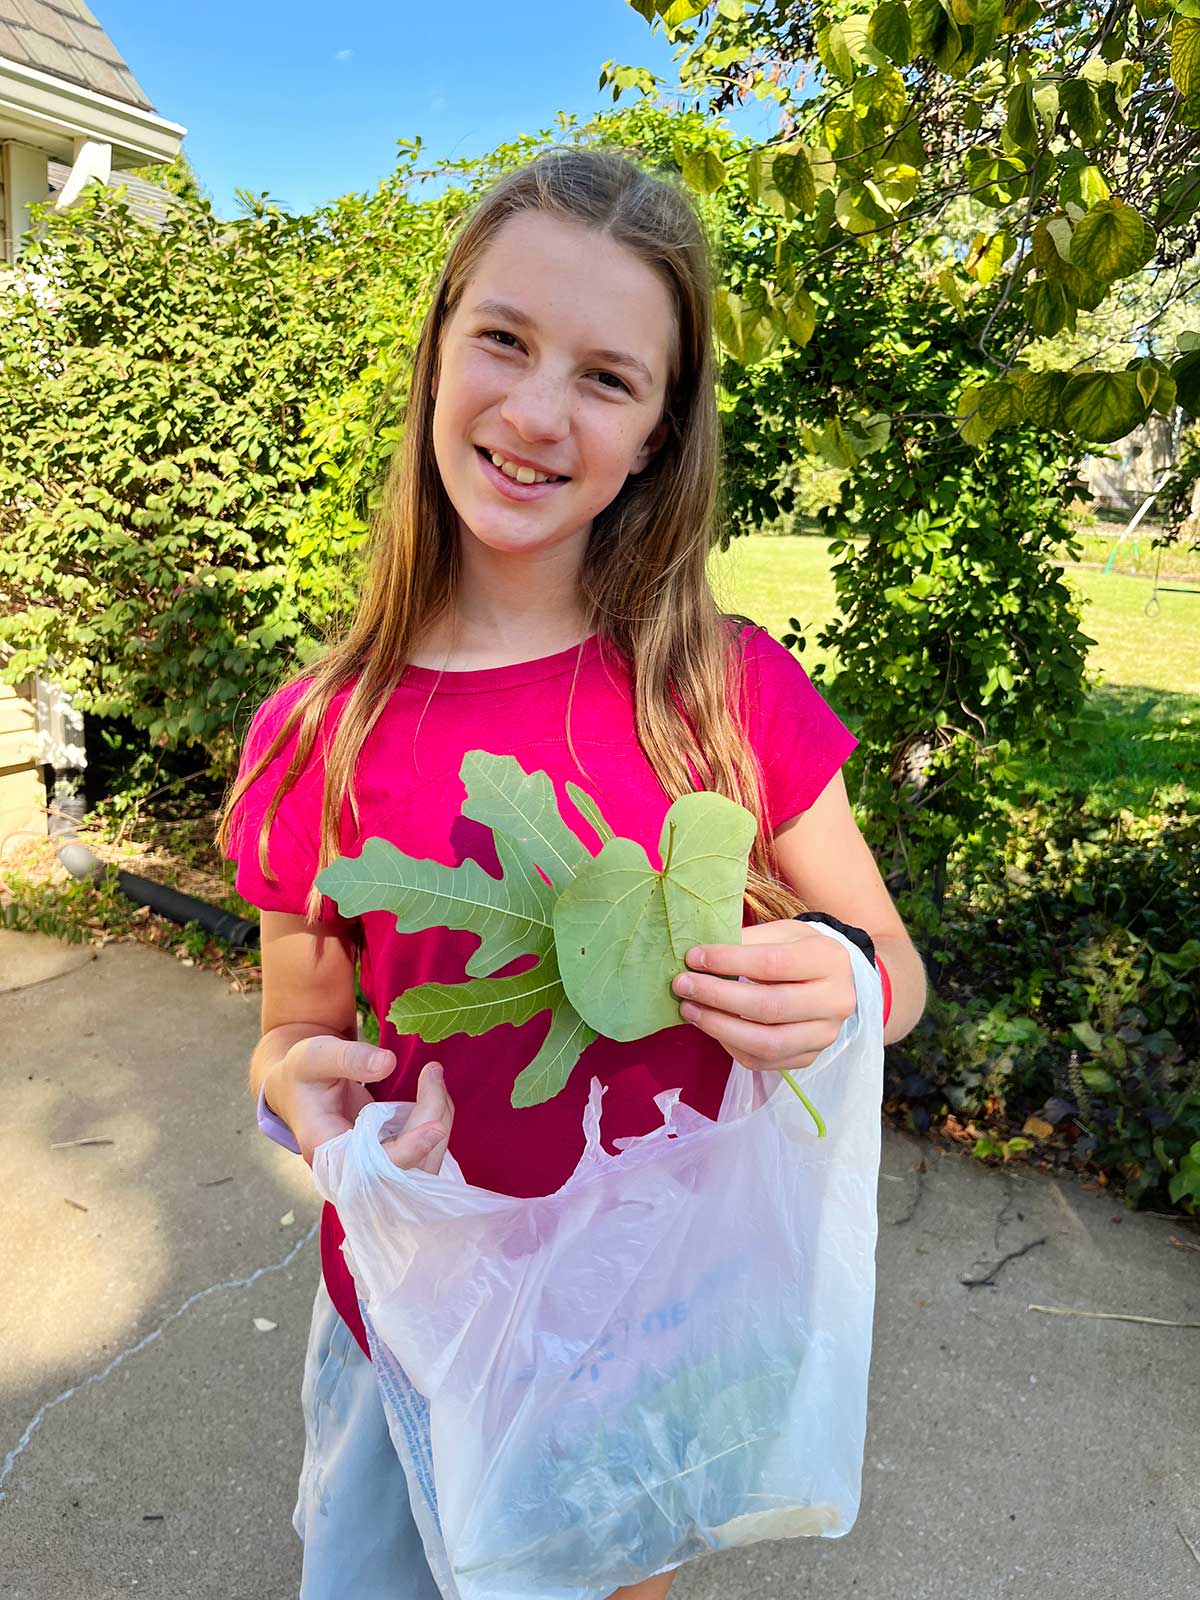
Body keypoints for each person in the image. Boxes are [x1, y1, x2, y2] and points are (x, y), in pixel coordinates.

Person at [218, 144, 925, 1600]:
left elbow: (892, 970)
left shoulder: (722, 690)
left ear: (663, 433)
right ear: (435, 353)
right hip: (417, 1335)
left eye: (609, 377)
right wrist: (299, 1093)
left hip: (653, 1337)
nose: (538, 412)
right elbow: (287, 1039)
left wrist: (842, 986)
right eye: (504, 339)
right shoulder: (314, 739)